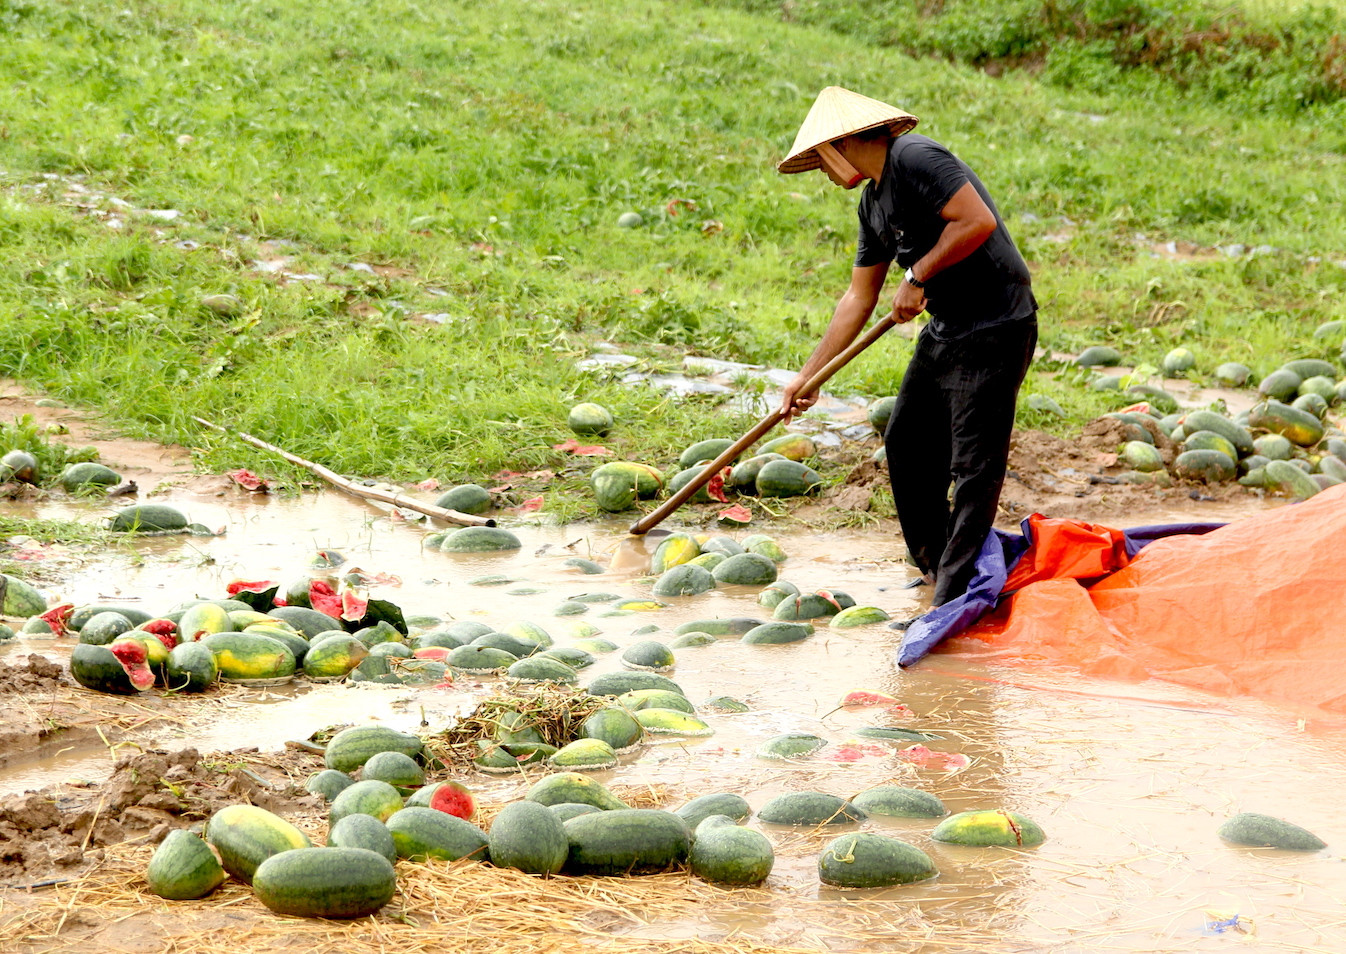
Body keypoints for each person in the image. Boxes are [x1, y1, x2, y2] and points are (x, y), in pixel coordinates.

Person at [776, 87, 1038, 614]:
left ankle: (953, 596)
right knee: (907, 443)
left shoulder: (916, 157)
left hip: (997, 323)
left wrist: (918, 276)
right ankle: (938, 568)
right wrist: (810, 376)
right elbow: (859, 296)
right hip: (947, 327)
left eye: (821, 161)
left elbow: (976, 221)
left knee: (973, 466)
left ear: (840, 144)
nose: (822, 173)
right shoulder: (872, 204)